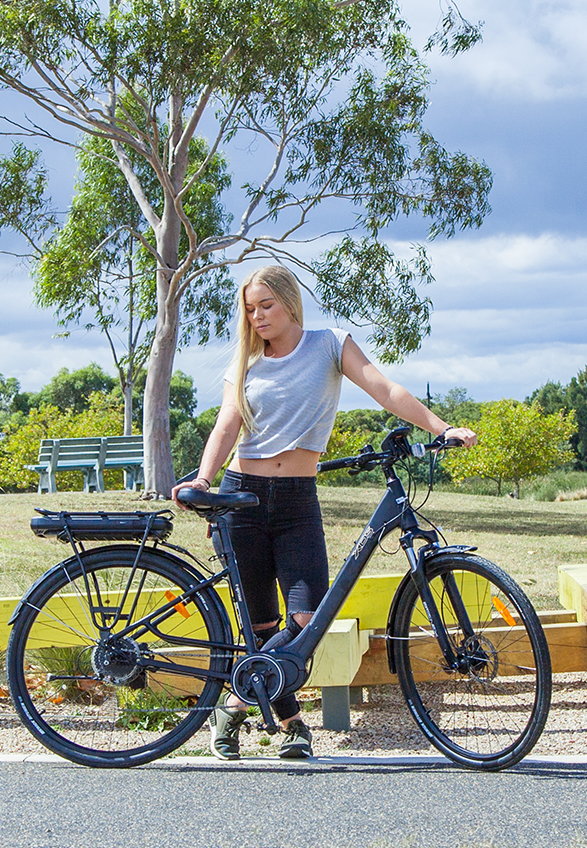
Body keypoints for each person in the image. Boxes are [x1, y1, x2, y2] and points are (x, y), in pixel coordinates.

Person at [173, 264, 477, 760]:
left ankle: (233, 703)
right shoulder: (247, 362)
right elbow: (228, 422)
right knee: (262, 626)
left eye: (266, 305)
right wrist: (204, 479)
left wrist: (441, 428)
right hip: (242, 497)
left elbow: (384, 388)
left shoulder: (330, 344)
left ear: (290, 303)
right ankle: (292, 723)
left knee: (307, 619)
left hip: (297, 501)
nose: (257, 317)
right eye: (249, 309)